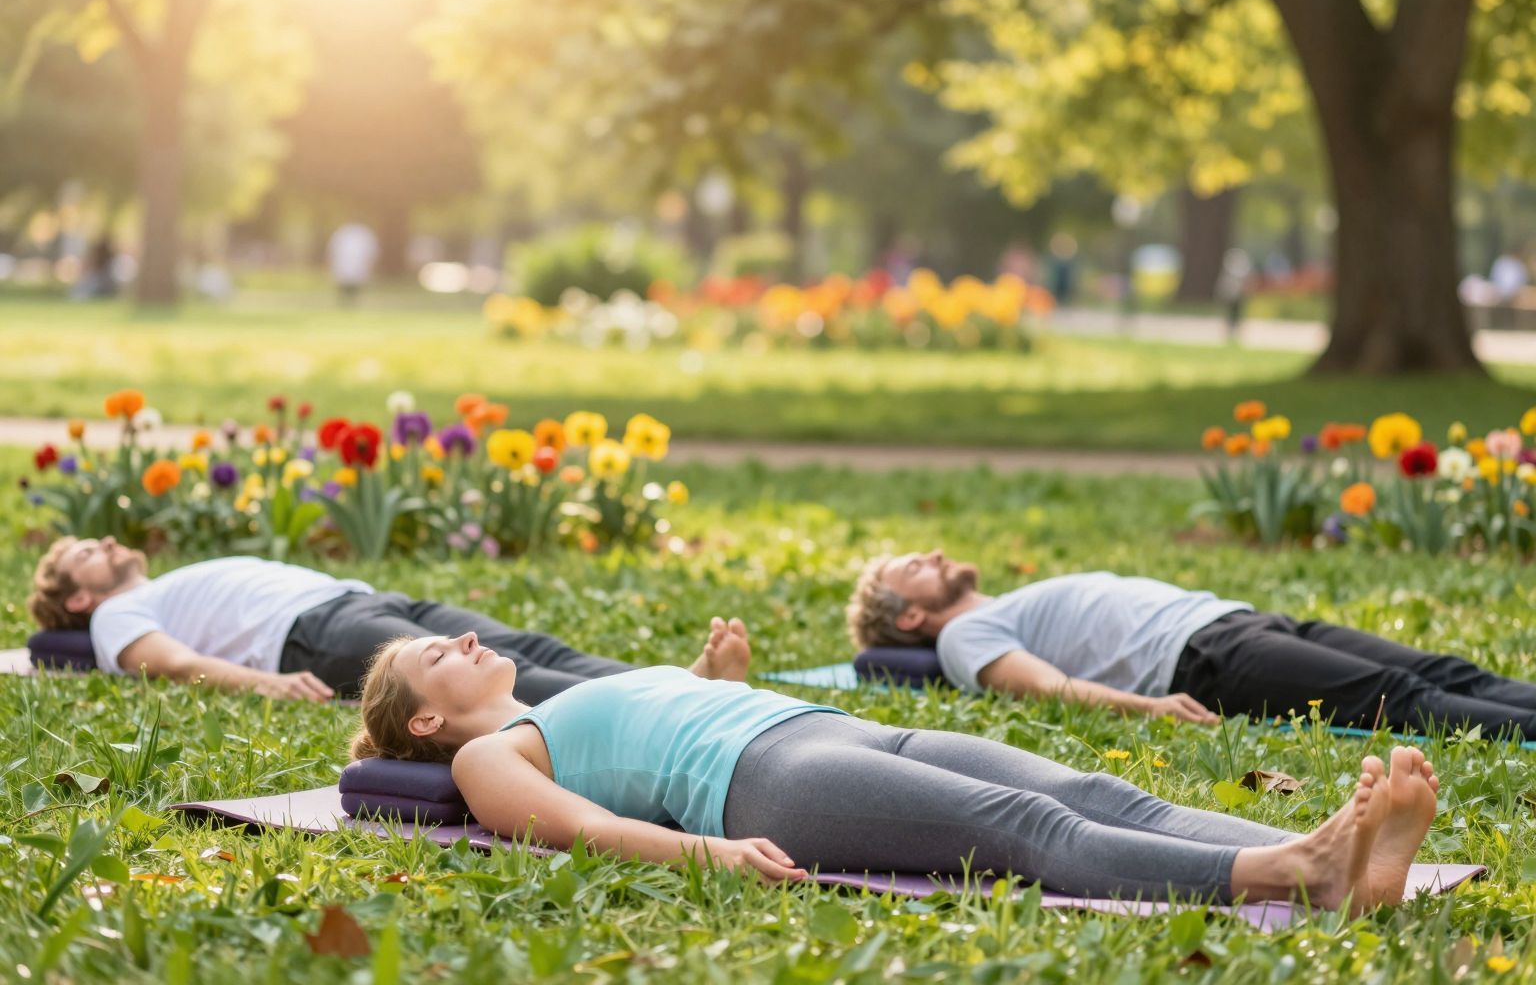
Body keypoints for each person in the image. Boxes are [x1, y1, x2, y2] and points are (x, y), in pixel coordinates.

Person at [351, 621, 1440, 913]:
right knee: (1026, 829)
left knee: (1091, 790)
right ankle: (1291, 875)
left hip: (822, 726)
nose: (458, 641)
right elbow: (581, 826)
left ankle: (1326, 855)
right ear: (424, 728)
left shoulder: (547, 704)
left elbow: (637, 729)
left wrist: (712, 673)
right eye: (430, 658)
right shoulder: (492, 756)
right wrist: (710, 852)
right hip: (776, 787)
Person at [847, 551, 1536, 739]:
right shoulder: (966, 634)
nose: (936, 554)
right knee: (1409, 700)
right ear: (910, 619)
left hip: (1239, 621)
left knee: (1446, 671)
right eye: (916, 567)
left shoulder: (993, 606)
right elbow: (1041, 687)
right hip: (1210, 661)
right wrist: (1146, 710)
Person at [26, 536, 746, 703]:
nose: (110, 544)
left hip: (364, 601)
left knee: (527, 647)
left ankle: (675, 685)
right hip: (315, 637)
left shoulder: (156, 582)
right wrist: (265, 685)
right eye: (90, 553)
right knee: (513, 679)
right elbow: (172, 664)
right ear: (79, 599)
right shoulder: (114, 617)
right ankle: (662, 704)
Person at [327, 222, 379, 304]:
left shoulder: (362, 233)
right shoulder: (343, 232)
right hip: (345, 266)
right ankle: (344, 303)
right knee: (344, 285)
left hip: (355, 266)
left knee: (354, 286)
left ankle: (351, 302)